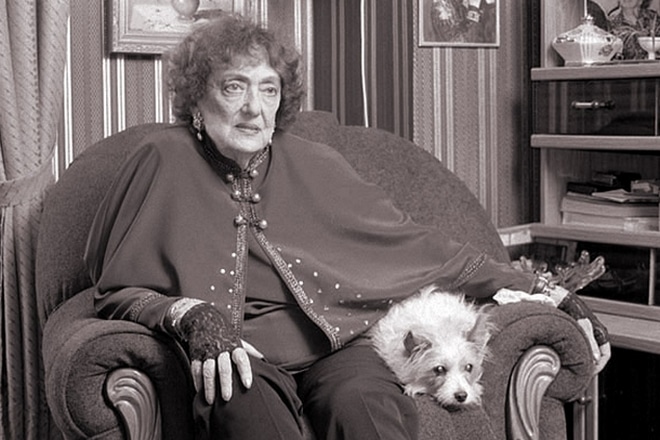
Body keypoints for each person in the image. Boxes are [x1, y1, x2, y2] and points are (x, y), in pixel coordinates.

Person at [84, 13, 610, 440]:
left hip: (338, 346)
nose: (253, 109)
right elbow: (114, 288)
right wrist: (192, 315)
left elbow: (419, 248)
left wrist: (547, 291)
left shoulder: (316, 163)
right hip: (237, 352)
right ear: (198, 98)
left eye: (268, 90)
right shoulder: (162, 159)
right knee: (247, 411)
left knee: (367, 409)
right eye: (234, 87)